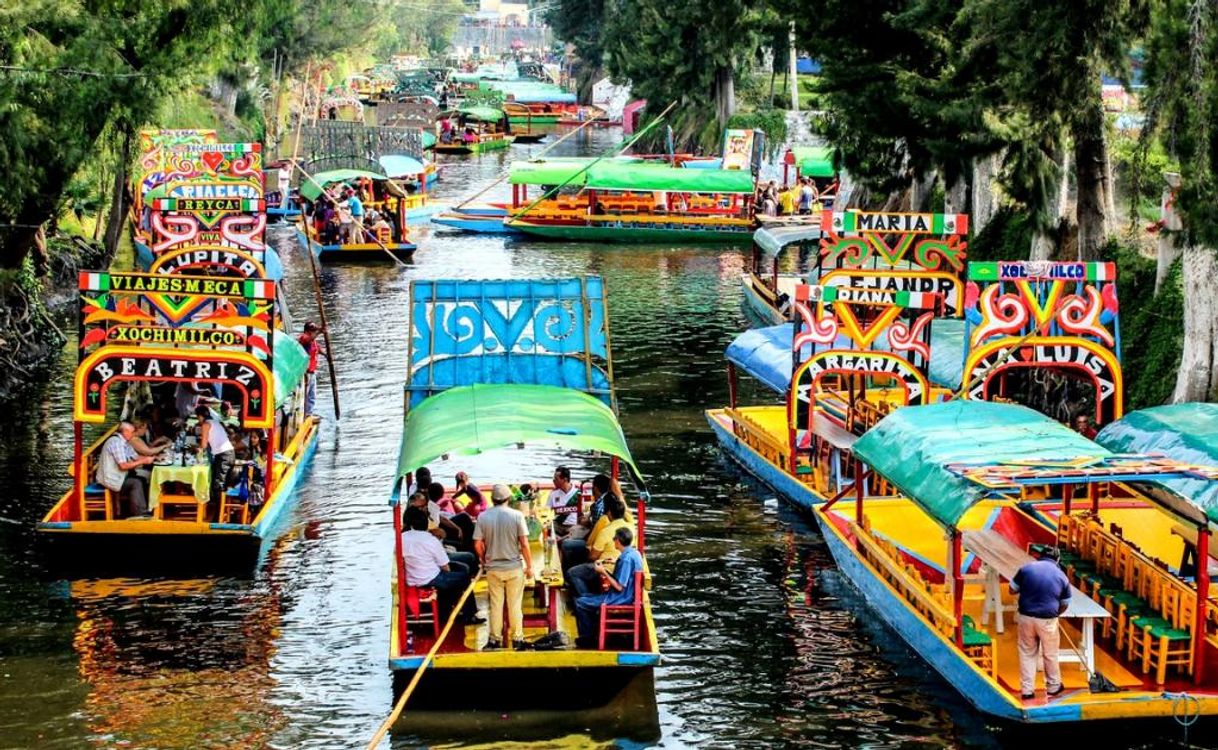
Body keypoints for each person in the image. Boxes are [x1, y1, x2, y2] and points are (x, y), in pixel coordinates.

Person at [474, 484, 534, 650]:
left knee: (496, 604)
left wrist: (484, 559)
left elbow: (478, 543)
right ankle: (517, 639)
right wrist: (529, 567)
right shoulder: (517, 516)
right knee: (515, 605)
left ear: (492, 499)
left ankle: (495, 639)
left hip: (493, 569)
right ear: (508, 499)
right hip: (514, 567)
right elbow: (524, 544)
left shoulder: (483, 517)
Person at [401, 505, 483, 624]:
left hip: (413, 577)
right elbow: (445, 567)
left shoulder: (402, 538)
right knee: (463, 579)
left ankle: (450, 608)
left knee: (459, 569)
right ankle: (469, 615)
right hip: (430, 578)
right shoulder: (430, 540)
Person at [1010, 546, 1071, 700]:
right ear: (1057, 560)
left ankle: (1027, 690)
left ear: (1040, 556)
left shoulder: (1026, 569)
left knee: (1027, 653)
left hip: (1026, 617)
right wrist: (1056, 614)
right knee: (1050, 653)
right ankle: (1053, 686)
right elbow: (1065, 603)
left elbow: (1012, 589)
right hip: (1048, 619)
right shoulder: (1062, 576)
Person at [574, 526, 643, 648]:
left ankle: (588, 639)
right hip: (628, 594)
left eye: (614, 538)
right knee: (585, 596)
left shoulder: (625, 559)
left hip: (620, 597)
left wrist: (603, 572)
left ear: (618, 541)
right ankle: (593, 631)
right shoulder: (634, 553)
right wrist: (614, 562)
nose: (613, 540)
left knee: (580, 603)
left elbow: (619, 587)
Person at [565, 496, 630, 596]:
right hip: (620, 567)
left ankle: (586, 599)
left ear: (609, 513)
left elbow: (593, 557)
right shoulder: (631, 527)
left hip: (606, 568)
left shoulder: (606, 531)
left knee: (572, 573)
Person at [96, 421, 156, 517]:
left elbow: (135, 457)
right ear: (125, 432)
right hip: (110, 479)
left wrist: (154, 458)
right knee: (136, 483)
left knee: (143, 479)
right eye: (132, 432)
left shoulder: (125, 443)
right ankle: (139, 514)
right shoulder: (116, 443)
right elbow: (123, 466)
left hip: (119, 476)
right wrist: (143, 462)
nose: (133, 434)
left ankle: (142, 508)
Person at [196, 404, 236, 507]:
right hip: (229, 454)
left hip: (224, 456)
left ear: (200, 416)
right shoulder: (215, 422)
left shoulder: (205, 425)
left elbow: (203, 445)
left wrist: (195, 447)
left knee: (218, 485)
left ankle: (218, 514)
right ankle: (220, 509)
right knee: (220, 483)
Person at [548, 466, 580, 541]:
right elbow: (547, 511)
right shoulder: (553, 494)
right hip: (558, 525)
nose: (553, 481)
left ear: (565, 480)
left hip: (573, 526)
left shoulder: (578, 494)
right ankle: (561, 539)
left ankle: (560, 539)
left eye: (556, 479)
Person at [298, 322, 322, 416]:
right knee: (304, 395)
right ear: (307, 331)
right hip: (305, 372)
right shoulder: (304, 338)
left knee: (312, 396)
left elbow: (317, 349)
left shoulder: (313, 341)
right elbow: (308, 340)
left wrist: (326, 355)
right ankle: (302, 415)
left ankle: (308, 414)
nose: (314, 333)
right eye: (312, 331)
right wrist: (320, 331)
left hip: (312, 372)